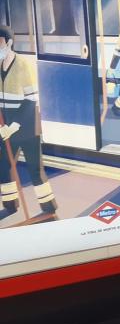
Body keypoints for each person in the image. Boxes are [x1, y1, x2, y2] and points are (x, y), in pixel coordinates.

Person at [0, 25, 58, 223]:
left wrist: (13, 126)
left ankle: (48, 206)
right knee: (4, 166)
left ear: (9, 43)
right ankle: (10, 203)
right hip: (6, 128)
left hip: (26, 126)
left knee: (35, 168)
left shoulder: (23, 65)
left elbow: (31, 100)